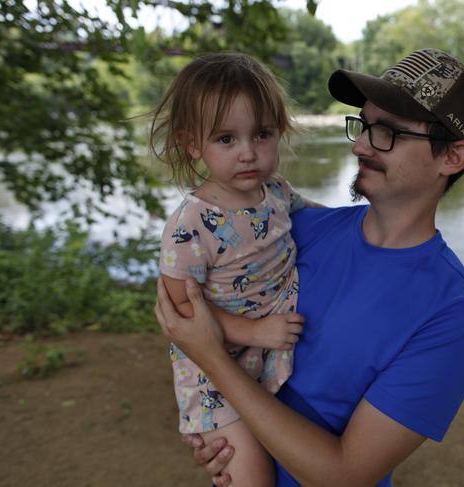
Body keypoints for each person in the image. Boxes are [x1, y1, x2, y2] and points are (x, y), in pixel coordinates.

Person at [156, 47, 464, 487]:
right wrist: (214, 427)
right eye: (364, 125)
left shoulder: (452, 313)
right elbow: (185, 296)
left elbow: (346, 474)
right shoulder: (295, 229)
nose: (359, 144)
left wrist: (212, 359)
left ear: (452, 156)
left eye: (387, 132)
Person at [152, 52, 314, 487]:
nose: (248, 153)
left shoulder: (277, 191)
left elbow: (321, 218)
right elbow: (181, 314)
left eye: (261, 134)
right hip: (211, 376)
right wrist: (254, 332)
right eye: (226, 139)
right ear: (192, 144)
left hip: (265, 358)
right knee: (253, 477)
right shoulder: (190, 224)